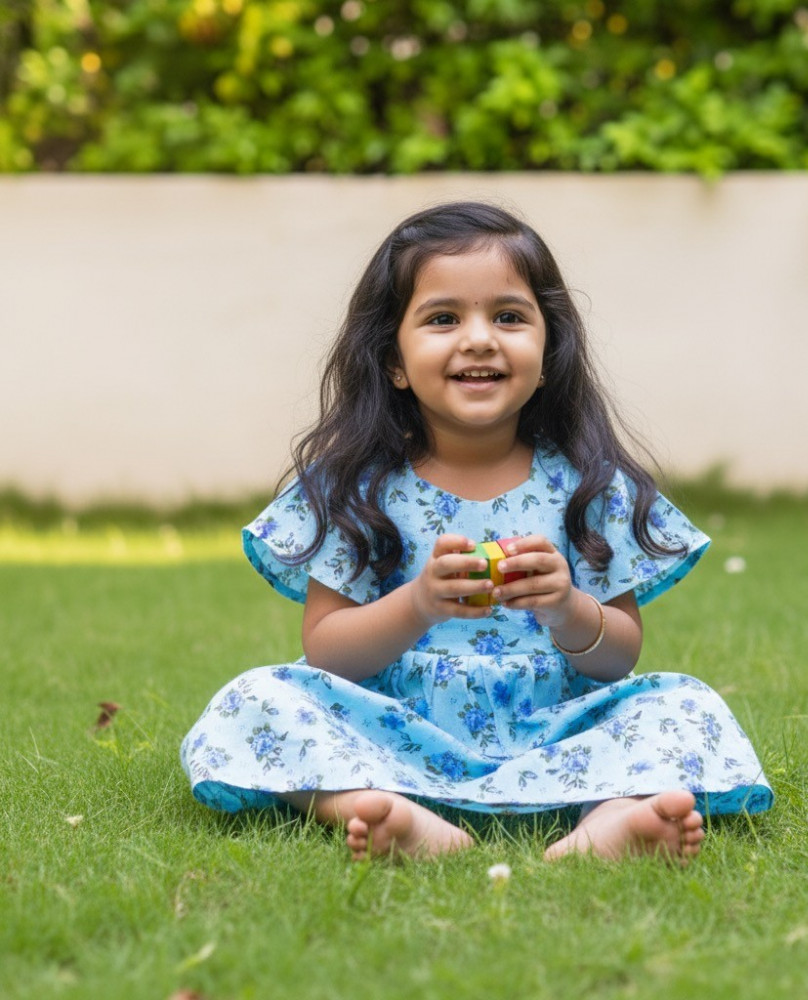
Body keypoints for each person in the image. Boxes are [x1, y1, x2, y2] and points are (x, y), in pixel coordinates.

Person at [180, 201, 773, 862]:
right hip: (398, 732)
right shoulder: (354, 486)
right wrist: (418, 604)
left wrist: (566, 608)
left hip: (554, 731)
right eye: (443, 318)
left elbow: (618, 659)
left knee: (685, 705)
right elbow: (326, 653)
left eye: (509, 316)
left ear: (547, 354)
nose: (480, 339)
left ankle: (608, 823)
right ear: (394, 360)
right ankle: (382, 811)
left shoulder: (590, 485)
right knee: (255, 699)